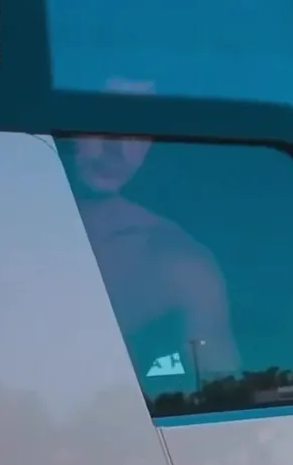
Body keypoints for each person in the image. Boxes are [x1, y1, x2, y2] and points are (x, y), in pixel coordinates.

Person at [64, 136, 240, 402]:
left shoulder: (178, 261)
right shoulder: (6, 232)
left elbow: (221, 395)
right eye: (98, 122)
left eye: (135, 133)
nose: (119, 150)